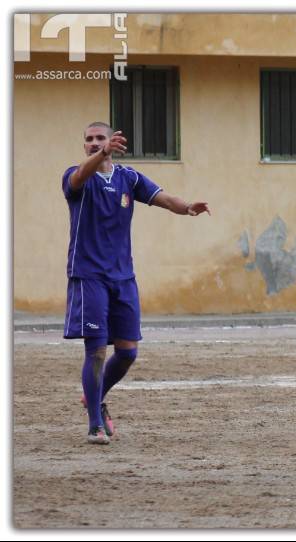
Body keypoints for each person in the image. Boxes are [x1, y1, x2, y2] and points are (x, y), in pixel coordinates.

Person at [64, 121, 211, 445]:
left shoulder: (128, 178)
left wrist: (186, 208)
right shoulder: (76, 178)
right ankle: (94, 425)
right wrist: (101, 153)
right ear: (84, 145)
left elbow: (163, 198)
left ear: (110, 141)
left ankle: (94, 394)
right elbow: (77, 178)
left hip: (123, 276)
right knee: (98, 350)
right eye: (88, 139)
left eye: (100, 138)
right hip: (89, 275)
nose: (94, 143)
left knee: (128, 352)